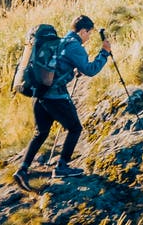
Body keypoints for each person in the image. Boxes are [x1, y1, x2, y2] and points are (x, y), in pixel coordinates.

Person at [14, 15, 112, 187]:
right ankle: (62, 166)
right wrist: (104, 53)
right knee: (75, 128)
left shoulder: (60, 42)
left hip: (40, 94)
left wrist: (72, 71)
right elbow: (90, 70)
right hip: (55, 97)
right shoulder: (75, 47)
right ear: (82, 31)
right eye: (88, 34)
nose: (88, 38)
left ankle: (22, 169)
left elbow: (57, 67)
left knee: (41, 132)